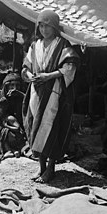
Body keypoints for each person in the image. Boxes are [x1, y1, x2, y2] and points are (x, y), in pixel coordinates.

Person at [21, 10, 80, 183]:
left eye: (48, 26)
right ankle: (41, 167)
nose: (44, 29)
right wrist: (29, 75)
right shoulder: (35, 45)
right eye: (41, 25)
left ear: (55, 27)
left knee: (52, 127)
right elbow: (26, 66)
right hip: (37, 92)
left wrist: (49, 76)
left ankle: (51, 168)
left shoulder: (62, 45)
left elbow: (69, 67)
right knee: (36, 126)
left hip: (55, 93)